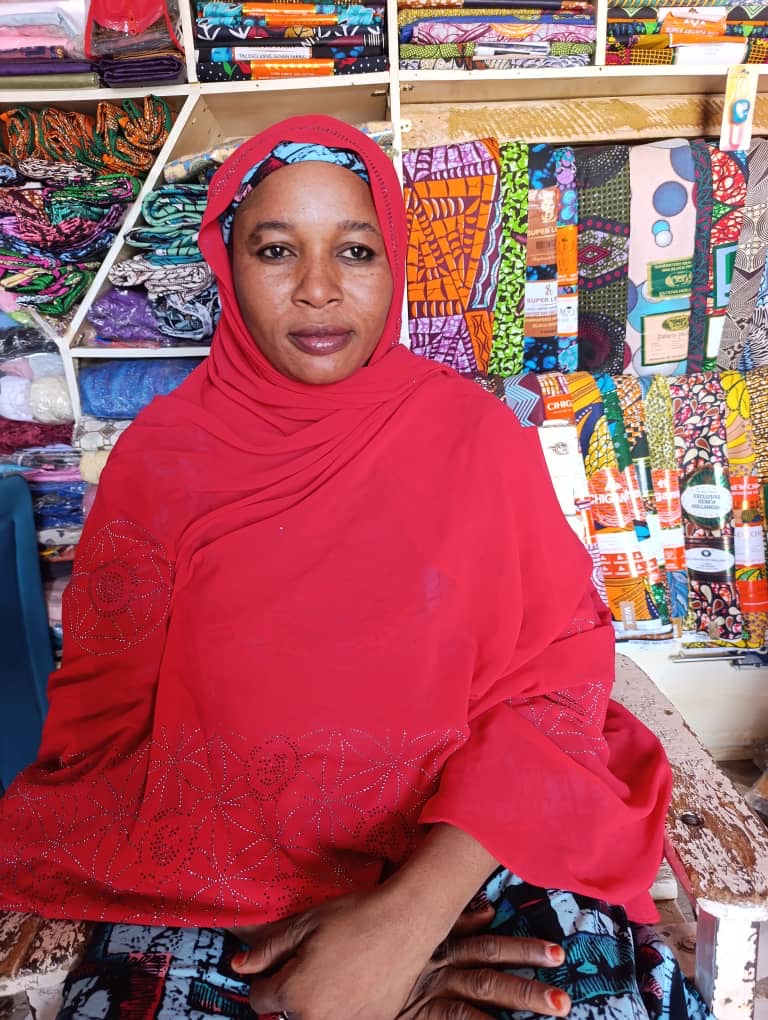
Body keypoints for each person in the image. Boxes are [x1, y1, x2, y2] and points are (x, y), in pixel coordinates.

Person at [0, 116, 709, 1020]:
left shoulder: (475, 441)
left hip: (479, 863)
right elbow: (104, 735)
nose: (318, 289)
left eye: (355, 251)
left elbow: (556, 685)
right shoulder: (160, 463)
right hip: (202, 888)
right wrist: (328, 951)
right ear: (227, 267)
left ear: (394, 261)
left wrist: (401, 928)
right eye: (276, 250)